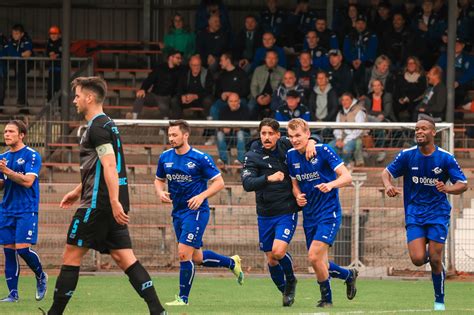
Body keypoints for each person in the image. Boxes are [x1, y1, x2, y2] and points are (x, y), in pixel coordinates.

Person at [45, 77, 166, 315]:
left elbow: (110, 166)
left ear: (90, 98)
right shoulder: (108, 124)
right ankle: (158, 310)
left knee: (71, 255)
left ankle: (54, 314)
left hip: (98, 204)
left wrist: (112, 201)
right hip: (108, 201)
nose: (75, 100)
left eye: (78, 95)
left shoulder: (97, 127)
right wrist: (77, 190)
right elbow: (101, 166)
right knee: (125, 258)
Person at [381, 114, 468, 312]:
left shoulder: (445, 158)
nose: (419, 132)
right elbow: (385, 173)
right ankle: (431, 255)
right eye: (417, 129)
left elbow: (463, 184)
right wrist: (388, 186)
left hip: (438, 213)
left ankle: (439, 300)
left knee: (435, 259)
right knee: (418, 259)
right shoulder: (407, 155)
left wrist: (447, 189)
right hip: (414, 213)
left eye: (423, 129)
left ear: (433, 132)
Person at [155, 120, 244, 306]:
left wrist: (201, 196)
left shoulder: (200, 158)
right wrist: (160, 191)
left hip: (196, 212)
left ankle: (183, 298)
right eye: (169, 135)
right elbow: (158, 180)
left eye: (174, 135)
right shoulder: (165, 157)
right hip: (178, 211)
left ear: (185, 135)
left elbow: (219, 182)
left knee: (183, 254)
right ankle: (231, 263)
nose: (171, 138)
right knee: (197, 257)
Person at [241, 118, 316, 307]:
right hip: (265, 212)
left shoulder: (285, 145)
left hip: (286, 210)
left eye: (270, 134)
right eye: (263, 133)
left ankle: (291, 281)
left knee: (278, 251)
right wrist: (269, 178)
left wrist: (313, 141)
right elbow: (247, 184)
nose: (266, 137)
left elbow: (305, 138)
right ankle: (286, 291)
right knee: (271, 259)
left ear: (277, 135)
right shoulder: (252, 155)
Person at [286, 118, 357, 308]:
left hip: (329, 212)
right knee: (319, 262)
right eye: (291, 136)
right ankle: (348, 275)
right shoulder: (291, 156)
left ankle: (327, 299)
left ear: (308, 134)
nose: (294, 139)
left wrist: (331, 184)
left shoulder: (323, 150)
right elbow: (294, 183)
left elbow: (347, 177)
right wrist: (298, 195)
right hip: (309, 215)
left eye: (298, 135)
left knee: (314, 257)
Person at [0, 120, 47, 303]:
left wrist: (7, 171)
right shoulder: (3, 157)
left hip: (26, 210)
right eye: (5, 131)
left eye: (11, 131)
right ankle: (13, 294)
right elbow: (3, 183)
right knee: (8, 251)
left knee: (23, 249)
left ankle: (41, 275)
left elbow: (28, 182)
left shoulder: (31, 155)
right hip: (6, 210)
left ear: (21, 135)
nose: (7, 134)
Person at [126, 49, 183, 119]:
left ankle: (163, 129)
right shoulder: (160, 68)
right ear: (171, 57)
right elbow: (149, 79)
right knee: (140, 96)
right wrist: (143, 89)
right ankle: (133, 118)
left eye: (180, 58)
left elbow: (179, 87)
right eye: (178, 58)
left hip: (165, 98)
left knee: (165, 111)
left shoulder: (180, 71)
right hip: (154, 95)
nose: (180, 60)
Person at [329, 93, 367, 166]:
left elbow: (358, 130)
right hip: (342, 137)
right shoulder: (340, 113)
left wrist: (345, 141)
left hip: (356, 137)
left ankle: (347, 163)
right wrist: (339, 139)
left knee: (346, 149)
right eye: (343, 100)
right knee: (329, 147)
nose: (344, 102)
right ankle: (338, 165)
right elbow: (337, 128)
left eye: (347, 100)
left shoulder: (359, 111)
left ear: (352, 101)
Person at [363, 79, 395, 163]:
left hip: (384, 118)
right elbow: (366, 111)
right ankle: (367, 149)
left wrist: (379, 115)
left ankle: (381, 151)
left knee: (380, 129)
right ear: (372, 87)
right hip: (370, 118)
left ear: (382, 87)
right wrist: (376, 114)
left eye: (378, 85)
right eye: (374, 85)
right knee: (364, 127)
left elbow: (387, 111)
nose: (376, 87)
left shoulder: (387, 95)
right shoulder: (368, 97)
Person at [216, 93, 251, 168]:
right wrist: (223, 128)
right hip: (229, 136)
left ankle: (240, 161)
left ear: (239, 101)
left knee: (240, 133)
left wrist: (231, 127)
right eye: (231, 101)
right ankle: (224, 160)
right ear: (228, 102)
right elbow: (219, 126)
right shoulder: (223, 109)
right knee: (219, 134)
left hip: (244, 137)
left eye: (235, 101)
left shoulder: (245, 109)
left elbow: (247, 126)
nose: (233, 103)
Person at [437, 37, 474, 107]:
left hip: (461, 85)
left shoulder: (469, 58)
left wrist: (458, 82)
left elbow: (471, 73)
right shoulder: (445, 56)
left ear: (463, 45)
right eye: (454, 44)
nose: (456, 46)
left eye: (459, 44)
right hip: (446, 83)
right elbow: (439, 68)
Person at [250, 50, 285, 119]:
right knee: (250, 106)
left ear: (277, 60)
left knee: (277, 107)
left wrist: (271, 97)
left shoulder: (282, 71)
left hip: (275, 98)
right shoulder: (258, 70)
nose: (271, 60)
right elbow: (253, 86)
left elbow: (282, 88)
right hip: (258, 97)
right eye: (269, 58)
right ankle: (250, 129)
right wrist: (258, 97)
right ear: (265, 59)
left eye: (273, 58)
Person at [4, 24, 33, 108]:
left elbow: (28, 53)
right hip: (14, 64)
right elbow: (10, 53)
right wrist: (21, 54)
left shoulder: (26, 39)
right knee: (20, 82)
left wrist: (18, 55)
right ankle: (22, 103)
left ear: (22, 34)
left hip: (24, 65)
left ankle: (22, 103)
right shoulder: (10, 40)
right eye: (13, 33)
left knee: (21, 82)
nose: (14, 36)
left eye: (17, 34)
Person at [394, 56, 427, 121]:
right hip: (402, 104)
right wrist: (400, 98)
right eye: (409, 63)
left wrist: (408, 98)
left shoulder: (421, 77)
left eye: (413, 63)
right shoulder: (401, 76)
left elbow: (420, 91)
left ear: (416, 65)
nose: (410, 65)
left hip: (415, 103)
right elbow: (397, 90)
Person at [46, 25, 62, 102]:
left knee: (60, 89)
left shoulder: (62, 43)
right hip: (51, 69)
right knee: (50, 89)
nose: (53, 36)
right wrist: (49, 55)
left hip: (61, 70)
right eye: (51, 34)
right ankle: (49, 108)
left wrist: (57, 55)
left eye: (55, 34)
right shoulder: (48, 43)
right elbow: (46, 53)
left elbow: (64, 53)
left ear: (59, 35)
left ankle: (60, 108)